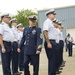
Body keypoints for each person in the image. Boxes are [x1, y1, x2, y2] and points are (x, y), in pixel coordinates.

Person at [43, 9, 57, 75]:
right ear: (49, 15)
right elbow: (45, 32)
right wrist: (48, 42)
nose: (54, 16)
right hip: (50, 42)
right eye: (53, 14)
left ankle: (53, 73)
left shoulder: (50, 22)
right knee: (52, 60)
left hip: (52, 42)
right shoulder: (47, 22)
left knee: (53, 59)